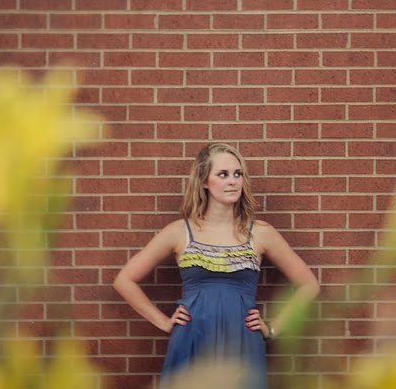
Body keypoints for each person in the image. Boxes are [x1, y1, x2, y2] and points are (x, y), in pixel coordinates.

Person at [113, 143, 320, 388]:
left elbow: (309, 285)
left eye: (237, 174)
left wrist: (273, 329)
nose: (232, 181)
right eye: (223, 174)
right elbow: (124, 281)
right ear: (204, 181)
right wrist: (163, 321)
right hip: (191, 338)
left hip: (242, 341)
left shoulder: (261, 233)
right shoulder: (180, 232)